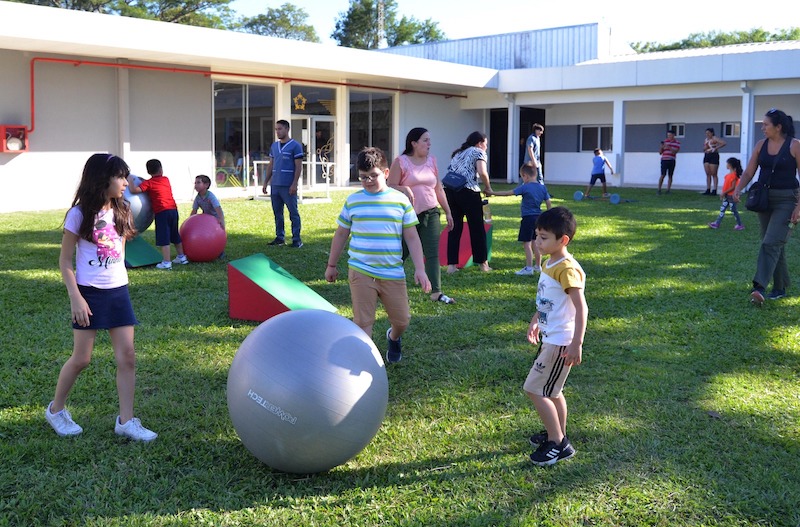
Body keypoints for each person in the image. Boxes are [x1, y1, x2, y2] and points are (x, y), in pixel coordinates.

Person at [45, 153, 157, 441]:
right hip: (89, 294)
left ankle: (126, 421)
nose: (126, 183)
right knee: (82, 358)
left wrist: (119, 280)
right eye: (120, 177)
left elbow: (120, 251)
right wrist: (76, 297)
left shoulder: (123, 210)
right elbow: (65, 261)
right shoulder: (78, 215)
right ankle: (56, 410)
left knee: (128, 356)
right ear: (102, 179)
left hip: (118, 292)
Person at [325, 147, 432, 364]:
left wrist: (420, 269)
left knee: (402, 320)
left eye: (373, 176)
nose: (368, 181)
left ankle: (393, 337)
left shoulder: (400, 200)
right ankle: (365, 363)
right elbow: (341, 233)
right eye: (363, 177)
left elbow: (412, 237)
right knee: (363, 322)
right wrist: (331, 265)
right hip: (361, 270)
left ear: (385, 173)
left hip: (392, 272)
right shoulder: (353, 201)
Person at [524, 206, 587, 466]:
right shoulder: (549, 263)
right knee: (552, 391)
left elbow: (581, 308)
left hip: (560, 343)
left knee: (534, 389)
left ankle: (558, 443)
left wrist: (576, 343)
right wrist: (536, 321)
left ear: (563, 240)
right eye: (537, 236)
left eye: (543, 237)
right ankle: (558, 432)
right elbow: (547, 299)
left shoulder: (567, 269)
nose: (537, 242)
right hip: (550, 338)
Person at [732, 108, 800, 305]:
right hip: (764, 199)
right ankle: (780, 287)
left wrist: (799, 206)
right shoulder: (761, 145)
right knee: (773, 242)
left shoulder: (795, 145)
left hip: (787, 200)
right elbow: (749, 172)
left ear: (778, 127)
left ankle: (759, 286)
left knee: (770, 243)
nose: (762, 128)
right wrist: (738, 189)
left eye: (765, 124)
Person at [388, 127, 456, 304]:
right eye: (425, 140)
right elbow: (390, 186)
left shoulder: (431, 161)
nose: (429, 144)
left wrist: (448, 211)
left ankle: (436, 292)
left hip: (431, 212)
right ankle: (384, 283)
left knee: (432, 252)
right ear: (414, 143)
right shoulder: (401, 162)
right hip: (408, 215)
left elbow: (438, 188)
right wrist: (404, 188)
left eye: (429, 140)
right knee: (401, 251)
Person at [444, 131, 495, 274]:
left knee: (454, 227)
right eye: (485, 144)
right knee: (476, 228)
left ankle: (451, 266)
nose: (486, 147)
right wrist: (488, 187)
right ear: (479, 143)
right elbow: (482, 171)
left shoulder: (458, 153)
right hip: (468, 191)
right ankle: (483, 264)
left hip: (450, 190)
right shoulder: (478, 152)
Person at [487, 164, 551, 275]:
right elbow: (548, 202)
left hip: (527, 219)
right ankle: (538, 266)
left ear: (525, 176)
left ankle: (529, 268)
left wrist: (492, 193)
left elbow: (507, 193)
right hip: (538, 219)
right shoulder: (542, 187)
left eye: (522, 177)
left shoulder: (525, 187)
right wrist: (549, 216)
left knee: (527, 243)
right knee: (535, 242)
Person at [127, 159, 187, 269]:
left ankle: (166, 262)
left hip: (162, 213)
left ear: (148, 171)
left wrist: (130, 180)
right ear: (161, 170)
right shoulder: (165, 180)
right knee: (174, 234)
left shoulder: (149, 183)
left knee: (164, 237)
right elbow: (155, 185)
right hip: (173, 210)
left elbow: (134, 190)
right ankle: (182, 257)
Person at [262, 119, 304, 248]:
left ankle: (296, 239)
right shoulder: (274, 146)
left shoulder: (295, 146)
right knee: (277, 213)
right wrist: (265, 182)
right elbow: (271, 165)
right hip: (275, 185)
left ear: (287, 129)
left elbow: (298, 166)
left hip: (288, 185)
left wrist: (294, 184)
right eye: (276, 129)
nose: (277, 132)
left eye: (280, 129)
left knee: (293, 213)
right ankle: (280, 237)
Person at [708, 157, 744, 231]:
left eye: (727, 164)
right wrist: (724, 193)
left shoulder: (734, 175)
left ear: (730, 165)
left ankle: (740, 225)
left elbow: (733, 187)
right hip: (727, 196)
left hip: (731, 196)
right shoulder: (728, 175)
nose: (726, 165)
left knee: (734, 211)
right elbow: (726, 185)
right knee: (722, 209)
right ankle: (717, 223)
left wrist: (724, 192)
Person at [702, 128, 727, 195]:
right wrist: (705, 148)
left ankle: (714, 189)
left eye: (708, 133)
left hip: (714, 155)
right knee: (708, 173)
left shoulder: (714, 138)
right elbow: (704, 148)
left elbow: (723, 143)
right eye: (706, 133)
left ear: (712, 133)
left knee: (714, 173)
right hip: (707, 155)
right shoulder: (706, 140)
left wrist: (716, 148)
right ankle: (708, 189)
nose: (707, 134)